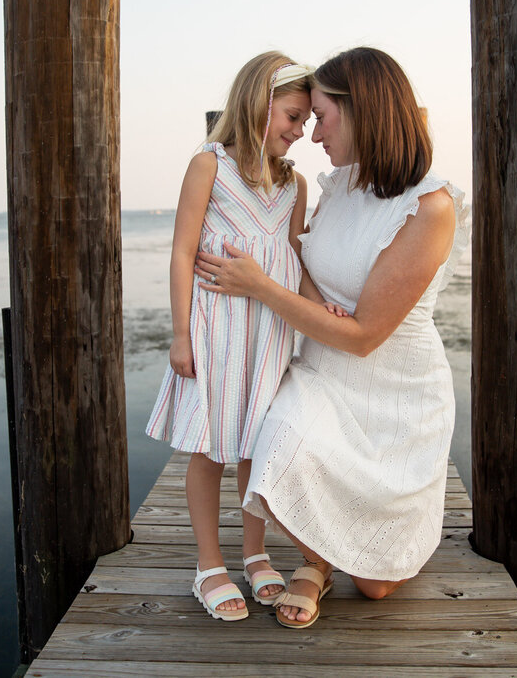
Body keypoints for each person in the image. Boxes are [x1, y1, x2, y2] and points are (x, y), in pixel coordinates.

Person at [195, 46, 469, 629]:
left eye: (321, 116)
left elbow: (366, 336)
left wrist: (259, 287)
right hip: (321, 368)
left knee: (374, 587)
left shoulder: (431, 206)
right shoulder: (338, 185)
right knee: (277, 448)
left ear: (362, 110)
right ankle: (317, 561)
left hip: (394, 389)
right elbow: (304, 261)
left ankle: (340, 560)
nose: (314, 134)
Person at [145, 51, 316, 621]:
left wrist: (323, 315)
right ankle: (209, 564)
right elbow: (181, 251)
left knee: (256, 444)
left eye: (307, 122)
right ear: (259, 104)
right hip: (214, 331)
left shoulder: (297, 188)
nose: (300, 132)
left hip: (267, 336)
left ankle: (254, 552)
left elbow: (295, 264)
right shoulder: (209, 166)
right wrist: (179, 333)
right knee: (209, 446)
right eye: (293, 117)